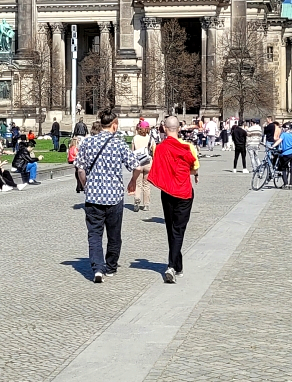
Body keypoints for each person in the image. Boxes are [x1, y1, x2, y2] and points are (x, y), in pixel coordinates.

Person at [74, 110, 138, 283]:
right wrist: (133, 181)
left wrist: (86, 185)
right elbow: (136, 165)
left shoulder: (88, 142)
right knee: (114, 234)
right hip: (114, 197)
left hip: (93, 196)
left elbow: (80, 168)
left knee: (94, 234)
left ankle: (97, 268)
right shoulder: (119, 144)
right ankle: (110, 266)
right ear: (115, 124)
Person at [148, 115, 199, 284]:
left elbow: (159, 168)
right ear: (179, 128)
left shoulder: (159, 148)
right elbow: (193, 169)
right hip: (184, 192)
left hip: (168, 192)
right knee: (178, 229)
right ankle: (173, 265)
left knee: (171, 229)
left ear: (164, 128)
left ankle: (175, 265)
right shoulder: (188, 147)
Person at [131, 123, 155, 210]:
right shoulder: (151, 139)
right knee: (147, 184)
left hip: (138, 163)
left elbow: (132, 151)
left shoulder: (135, 138)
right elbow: (154, 152)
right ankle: (146, 204)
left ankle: (137, 200)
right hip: (148, 162)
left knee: (138, 184)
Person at [275, 121, 292, 188]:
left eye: (284, 128)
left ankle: (286, 183)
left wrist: (273, 146)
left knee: (283, 168)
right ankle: (291, 183)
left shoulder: (284, 135)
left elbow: (279, 141)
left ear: (286, 128)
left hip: (286, 154)